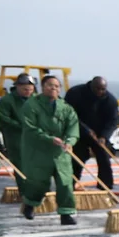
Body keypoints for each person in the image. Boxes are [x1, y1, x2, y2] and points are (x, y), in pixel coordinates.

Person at [19, 75, 81, 224]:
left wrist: (70, 141)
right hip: (39, 151)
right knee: (38, 183)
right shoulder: (32, 105)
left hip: (60, 152)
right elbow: (30, 128)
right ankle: (30, 204)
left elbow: (73, 127)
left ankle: (66, 214)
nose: (54, 88)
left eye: (57, 86)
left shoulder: (66, 107)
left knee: (65, 183)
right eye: (50, 85)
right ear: (42, 87)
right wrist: (48, 138)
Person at [65, 76, 119, 191]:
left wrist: (104, 136)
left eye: (103, 89)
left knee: (104, 156)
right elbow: (70, 115)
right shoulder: (75, 93)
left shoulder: (110, 100)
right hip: (78, 131)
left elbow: (113, 121)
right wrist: (86, 130)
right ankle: (70, 186)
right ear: (91, 86)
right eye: (97, 89)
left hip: (99, 134)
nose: (100, 92)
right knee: (78, 157)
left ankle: (105, 187)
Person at [0, 74, 36, 197]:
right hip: (16, 138)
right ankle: (25, 192)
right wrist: (21, 125)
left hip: (35, 137)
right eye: (25, 89)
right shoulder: (7, 101)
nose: (28, 91)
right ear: (17, 87)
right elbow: (3, 118)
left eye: (30, 89)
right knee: (20, 166)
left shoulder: (37, 99)